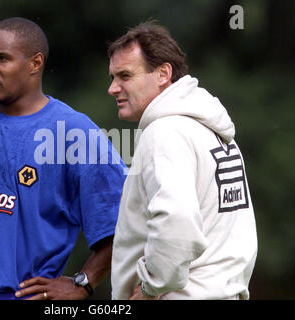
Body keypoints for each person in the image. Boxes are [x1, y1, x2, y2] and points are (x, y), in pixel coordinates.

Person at [0, 17, 127, 300]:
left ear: (35, 63)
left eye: (1, 59)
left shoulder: (74, 132)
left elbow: (125, 220)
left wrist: (83, 283)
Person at [108, 21, 257, 300]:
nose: (113, 88)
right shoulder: (212, 129)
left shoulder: (165, 132)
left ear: (163, 73)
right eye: (113, 77)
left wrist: (152, 286)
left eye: (125, 76)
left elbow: (176, 222)